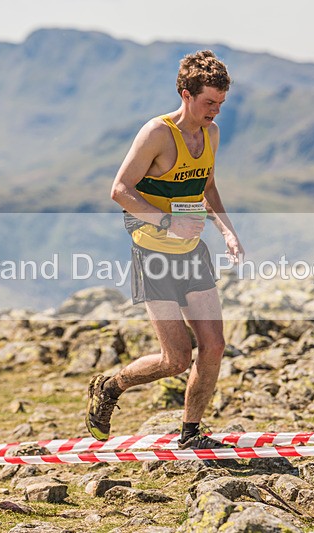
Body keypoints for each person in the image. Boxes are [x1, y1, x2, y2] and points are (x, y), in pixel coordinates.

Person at [85, 50, 243, 449]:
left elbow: (207, 187)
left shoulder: (211, 134)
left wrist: (227, 231)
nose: (215, 112)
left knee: (214, 346)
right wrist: (168, 221)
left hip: (192, 254)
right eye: (209, 103)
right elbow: (119, 190)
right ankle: (111, 386)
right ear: (186, 95)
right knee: (175, 360)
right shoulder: (157, 133)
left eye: (221, 103)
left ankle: (190, 432)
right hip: (153, 256)